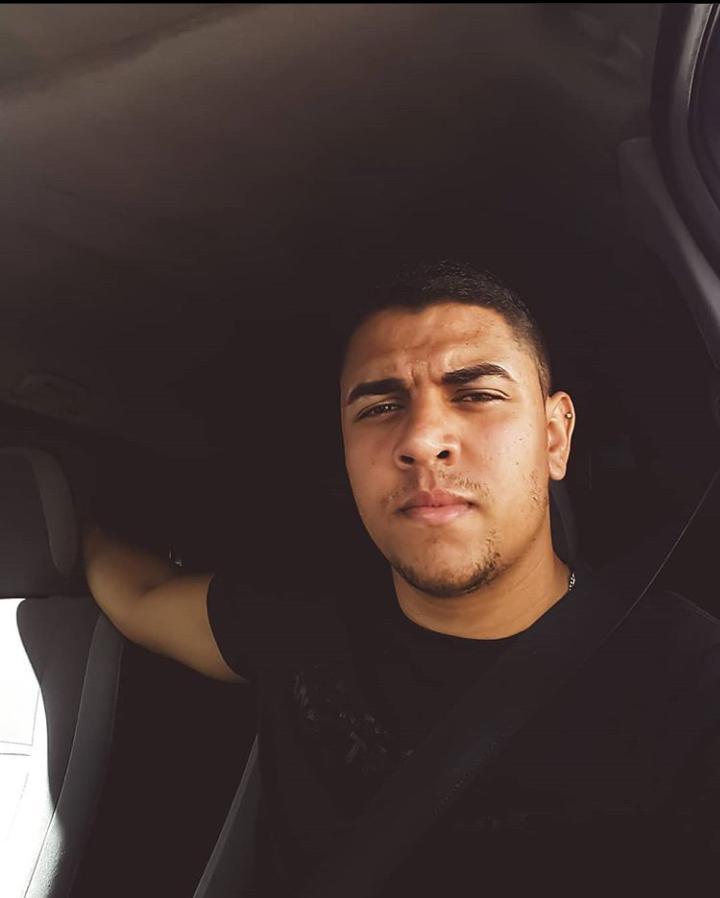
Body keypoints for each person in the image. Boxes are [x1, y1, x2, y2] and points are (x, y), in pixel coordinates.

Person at [83, 262, 720, 897]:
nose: (421, 438)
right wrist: (60, 508)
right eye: (381, 407)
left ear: (554, 438)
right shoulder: (303, 618)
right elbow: (140, 597)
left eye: (477, 395)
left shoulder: (688, 680)